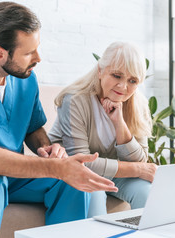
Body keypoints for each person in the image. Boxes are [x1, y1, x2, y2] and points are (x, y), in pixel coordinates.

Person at [0, 2, 118, 238]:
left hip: (8, 173)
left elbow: (33, 127)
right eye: (28, 53)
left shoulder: (26, 78)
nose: (38, 57)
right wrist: (53, 167)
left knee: (69, 181)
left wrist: (47, 149)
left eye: (37, 48)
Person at [49, 42, 157, 217]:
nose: (123, 87)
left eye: (132, 81)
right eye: (116, 76)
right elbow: (81, 161)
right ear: (100, 71)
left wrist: (119, 123)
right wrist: (138, 170)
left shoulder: (139, 103)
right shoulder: (75, 100)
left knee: (147, 191)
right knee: (94, 193)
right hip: (78, 173)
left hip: (116, 176)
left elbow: (141, 159)